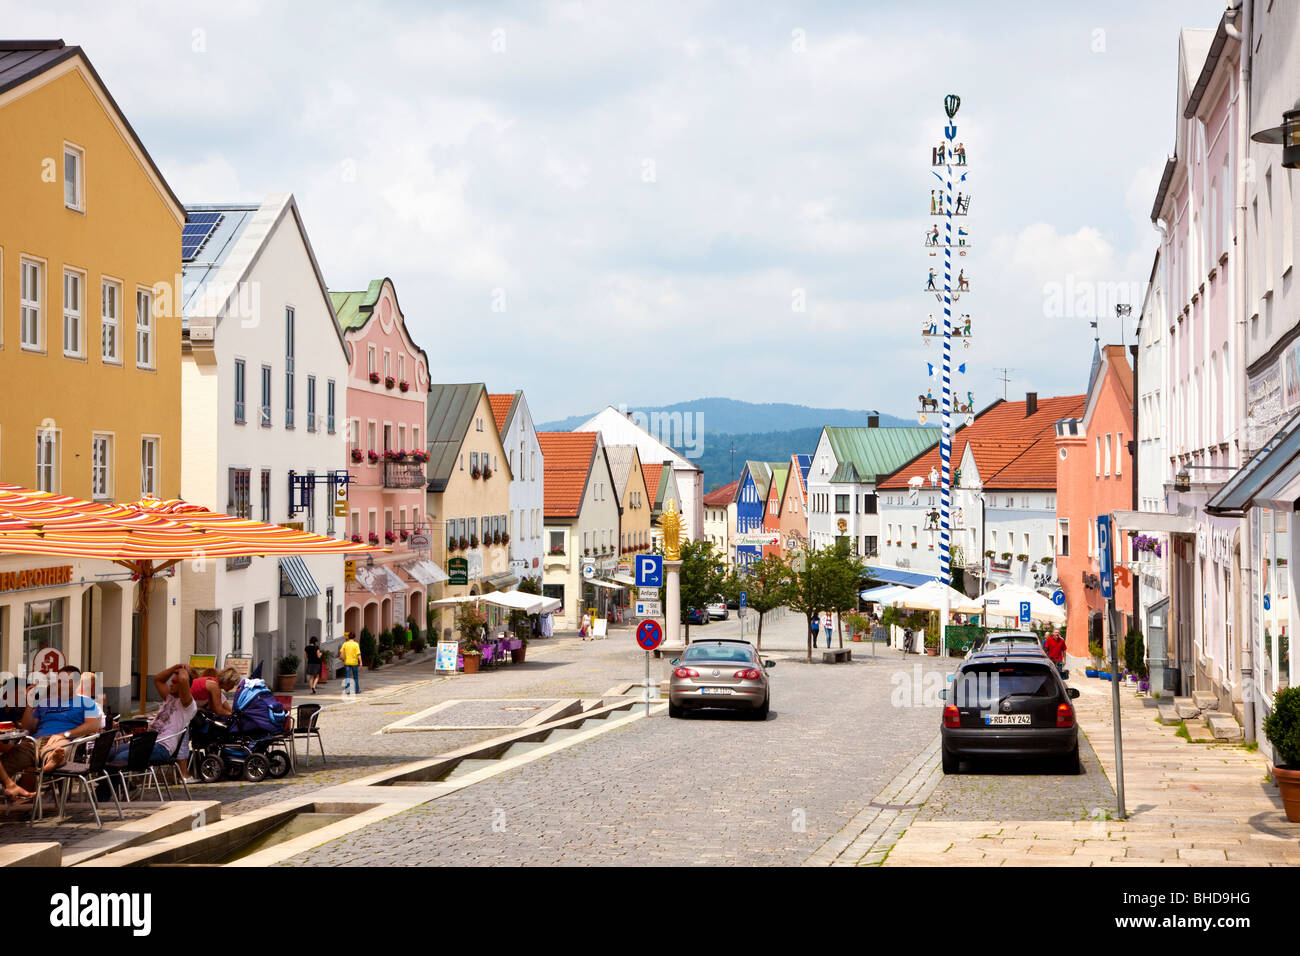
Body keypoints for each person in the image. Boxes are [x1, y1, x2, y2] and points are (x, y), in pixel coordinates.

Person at [109, 664, 195, 774]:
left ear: (184, 685)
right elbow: (158, 679)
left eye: (174, 683)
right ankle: (126, 786)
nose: (170, 685)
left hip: (163, 747)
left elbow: (183, 679)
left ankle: (105, 791)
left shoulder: (188, 705)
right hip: (147, 742)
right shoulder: (170, 697)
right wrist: (175, 668)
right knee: (109, 753)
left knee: (121, 758)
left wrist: (183, 669)